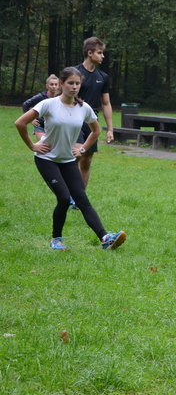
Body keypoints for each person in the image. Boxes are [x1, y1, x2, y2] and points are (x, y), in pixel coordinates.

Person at [13, 67, 126, 251]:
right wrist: (33, 146)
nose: (74, 87)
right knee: (64, 198)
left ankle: (106, 238)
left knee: (82, 199)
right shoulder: (48, 104)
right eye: (70, 83)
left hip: (67, 160)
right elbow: (20, 122)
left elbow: (96, 130)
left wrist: (82, 148)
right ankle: (56, 240)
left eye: (77, 83)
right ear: (62, 84)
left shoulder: (84, 108)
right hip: (46, 159)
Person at [74, 36, 115, 188]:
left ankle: (80, 198)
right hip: (74, 122)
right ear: (90, 53)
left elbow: (106, 103)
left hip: (91, 123)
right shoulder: (74, 73)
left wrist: (110, 129)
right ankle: (71, 195)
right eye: (99, 53)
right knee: (75, 156)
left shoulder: (103, 77)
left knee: (87, 161)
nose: (102, 56)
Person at [22, 74, 61, 140]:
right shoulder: (40, 97)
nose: (54, 86)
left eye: (56, 84)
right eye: (51, 84)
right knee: (43, 146)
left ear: (59, 86)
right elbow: (25, 104)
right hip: (40, 125)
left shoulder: (61, 98)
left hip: (55, 126)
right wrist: (31, 119)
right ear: (47, 86)